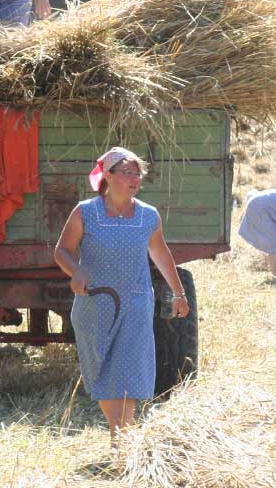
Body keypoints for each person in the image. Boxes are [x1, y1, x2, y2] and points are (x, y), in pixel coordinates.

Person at [53, 147, 189, 438]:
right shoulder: (85, 212)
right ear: (108, 175)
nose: (134, 178)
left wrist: (179, 293)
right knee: (102, 370)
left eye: (137, 173)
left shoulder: (148, 216)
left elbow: (161, 253)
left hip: (136, 302)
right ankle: (123, 435)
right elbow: (62, 251)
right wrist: (76, 272)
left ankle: (121, 437)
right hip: (95, 304)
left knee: (129, 369)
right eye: (127, 172)